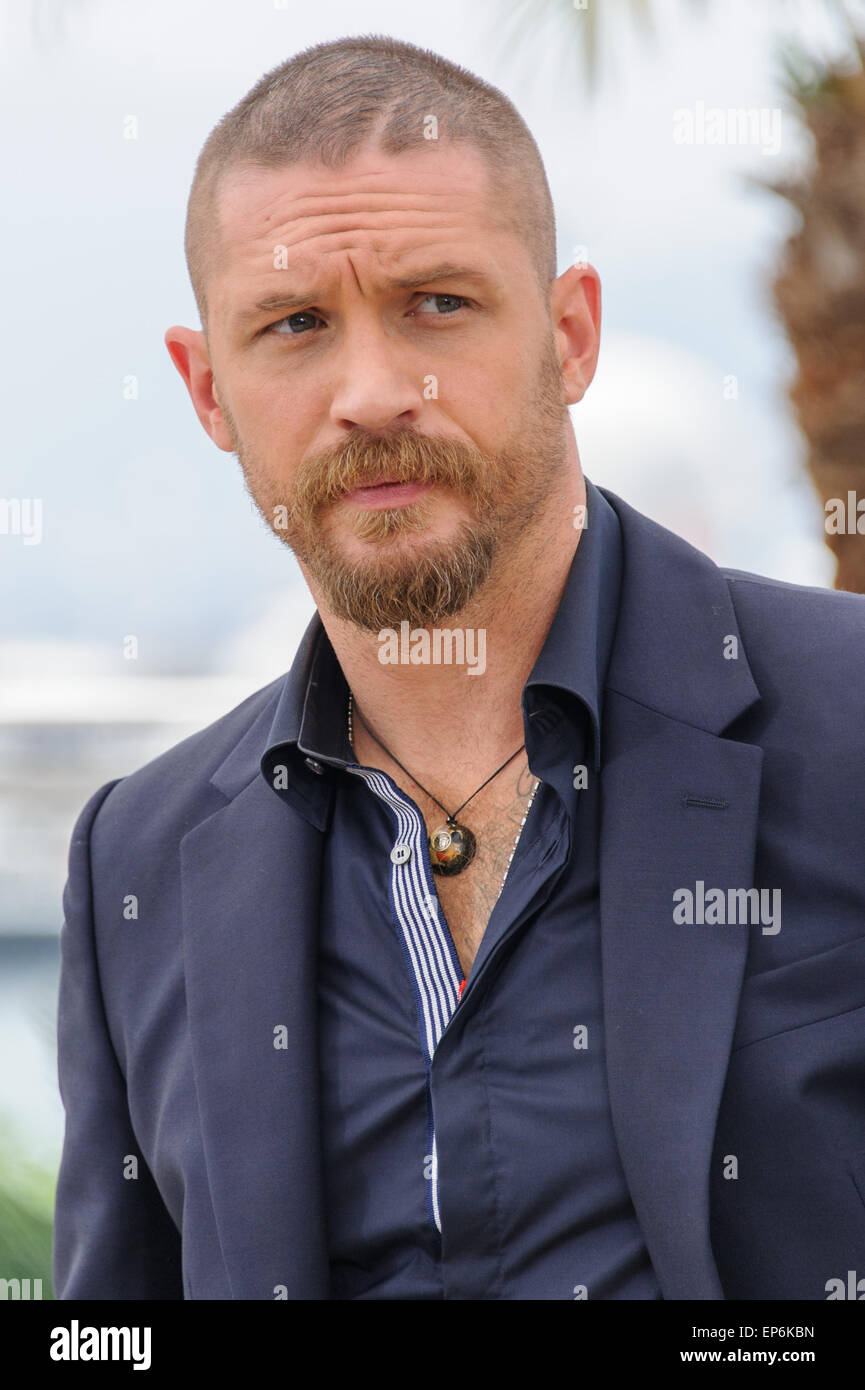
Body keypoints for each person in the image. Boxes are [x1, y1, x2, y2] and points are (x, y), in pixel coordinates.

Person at [53, 34, 865, 1302]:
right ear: (208, 390)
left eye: (437, 302)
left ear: (571, 332)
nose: (374, 391)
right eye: (295, 324)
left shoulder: (849, 716)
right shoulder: (134, 861)